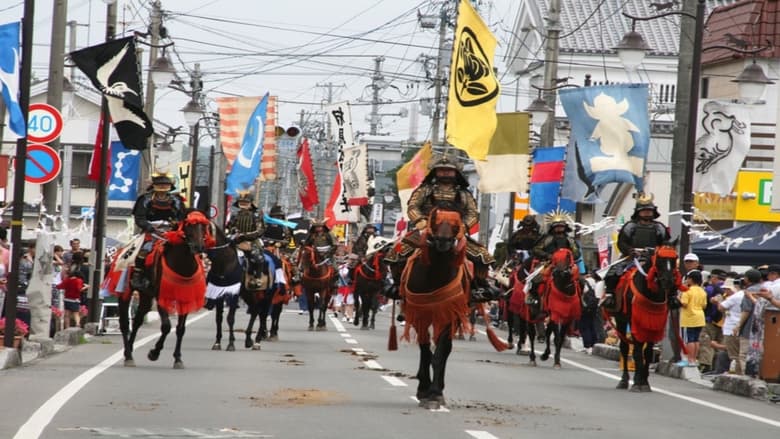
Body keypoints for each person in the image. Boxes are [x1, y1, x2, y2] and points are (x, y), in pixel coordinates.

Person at [383, 154, 498, 301]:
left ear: (456, 173)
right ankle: (398, 286)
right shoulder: (425, 190)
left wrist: (463, 226)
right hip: (426, 229)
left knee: (483, 256)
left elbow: (472, 213)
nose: (445, 173)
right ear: (435, 172)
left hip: (455, 232)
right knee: (396, 252)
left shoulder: (463, 194)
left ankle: (480, 287)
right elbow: (413, 206)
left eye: (449, 170)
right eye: (441, 170)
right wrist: (421, 222)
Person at [602, 193, 671, 309]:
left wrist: (658, 253)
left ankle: (672, 297)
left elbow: (665, 243)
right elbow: (621, 242)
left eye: (649, 210)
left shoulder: (660, 227)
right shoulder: (630, 226)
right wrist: (630, 251)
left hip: (654, 258)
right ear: (638, 212)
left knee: (669, 274)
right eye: (644, 211)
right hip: (632, 257)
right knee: (613, 272)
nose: (647, 213)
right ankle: (611, 296)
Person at [130, 172, 186, 291]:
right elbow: (139, 217)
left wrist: (176, 224)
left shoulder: (177, 200)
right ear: (154, 185)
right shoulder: (145, 199)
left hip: (171, 231)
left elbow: (182, 216)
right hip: (151, 230)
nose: (162, 187)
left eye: (165, 185)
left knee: (186, 249)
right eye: (160, 185)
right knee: (143, 250)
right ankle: (138, 275)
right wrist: (148, 226)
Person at [677, 270, 707, 367]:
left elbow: (684, 303)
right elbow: (704, 305)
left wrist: (678, 297)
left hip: (688, 318)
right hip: (700, 317)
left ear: (691, 279)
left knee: (688, 340)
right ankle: (694, 359)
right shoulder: (702, 291)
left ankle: (689, 360)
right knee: (695, 339)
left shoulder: (687, 290)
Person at [717, 276, 745, 374]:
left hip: (731, 328)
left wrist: (718, 301)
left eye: (727, 289)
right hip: (743, 328)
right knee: (741, 354)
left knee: (734, 355)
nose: (726, 291)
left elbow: (721, 307)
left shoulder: (736, 296)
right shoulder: (748, 295)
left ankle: (736, 374)